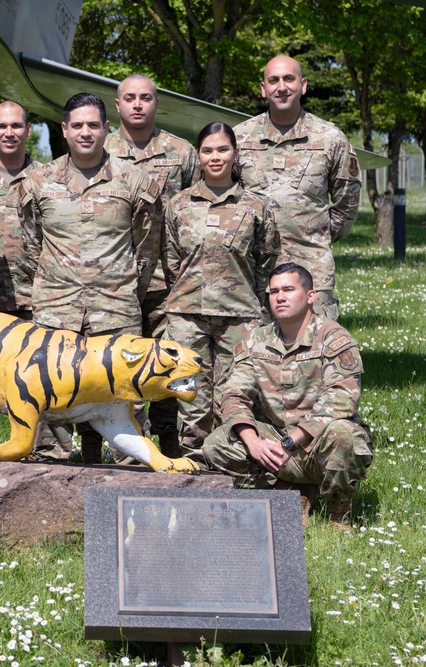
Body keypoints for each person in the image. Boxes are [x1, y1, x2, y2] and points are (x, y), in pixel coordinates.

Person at [19, 92, 163, 463]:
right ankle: (51, 465)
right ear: (64, 130)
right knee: (50, 389)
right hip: (56, 308)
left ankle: (128, 468)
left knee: (125, 391)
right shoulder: (38, 181)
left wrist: (125, 289)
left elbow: (146, 248)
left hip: (115, 308)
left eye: (93, 125)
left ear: (106, 128)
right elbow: (29, 243)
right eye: (78, 125)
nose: (86, 132)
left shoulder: (134, 181)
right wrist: (52, 282)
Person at [199, 263, 373, 527]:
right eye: (274, 291)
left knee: (345, 435)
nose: (279, 297)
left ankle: (338, 513)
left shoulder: (333, 337)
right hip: (274, 446)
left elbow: (342, 397)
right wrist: (253, 442)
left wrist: (292, 441)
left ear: (310, 296)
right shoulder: (256, 340)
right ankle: (287, 492)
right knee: (216, 445)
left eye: (289, 289)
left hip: (316, 444)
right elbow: (234, 395)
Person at [163, 122, 281, 457]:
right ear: (198, 155)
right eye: (208, 150)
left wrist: (255, 305)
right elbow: (171, 258)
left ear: (235, 152)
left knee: (234, 394)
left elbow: (266, 261)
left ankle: (229, 464)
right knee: (190, 395)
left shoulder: (256, 206)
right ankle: (192, 463)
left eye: (223, 149)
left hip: (239, 315)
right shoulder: (179, 204)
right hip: (187, 315)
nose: (215, 157)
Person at [0, 100, 72, 458]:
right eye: (2, 126)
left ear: (29, 130)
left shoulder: (51, 177)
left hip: (39, 295)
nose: (9, 133)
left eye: (17, 126)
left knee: (46, 374)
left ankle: (50, 451)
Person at [104, 73, 198, 458]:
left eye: (146, 98)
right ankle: (125, 450)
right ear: (117, 104)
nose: (138, 104)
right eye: (130, 98)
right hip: (116, 281)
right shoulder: (101, 148)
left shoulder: (181, 151)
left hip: (167, 280)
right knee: (123, 367)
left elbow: (198, 202)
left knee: (169, 362)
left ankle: (173, 445)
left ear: (157, 103)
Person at [234, 55, 361, 321]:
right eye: (274, 80)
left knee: (313, 353)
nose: (281, 87)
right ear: (263, 89)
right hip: (253, 269)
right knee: (256, 354)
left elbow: (347, 201)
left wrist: (315, 236)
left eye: (289, 79)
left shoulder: (330, 138)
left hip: (311, 269)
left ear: (303, 85)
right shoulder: (240, 138)